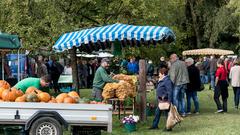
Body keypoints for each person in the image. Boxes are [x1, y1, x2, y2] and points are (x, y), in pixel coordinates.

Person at [149, 65, 173, 131]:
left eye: (159, 73)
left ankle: (168, 127)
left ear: (163, 74)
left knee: (167, 115)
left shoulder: (167, 81)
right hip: (161, 101)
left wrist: (169, 101)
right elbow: (160, 87)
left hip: (165, 101)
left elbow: (170, 91)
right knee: (157, 113)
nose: (158, 74)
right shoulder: (162, 80)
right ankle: (155, 125)